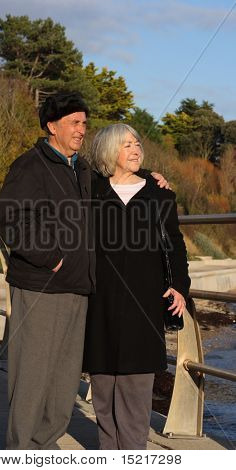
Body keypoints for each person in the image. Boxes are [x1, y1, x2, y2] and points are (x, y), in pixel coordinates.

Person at [0, 93, 169, 450]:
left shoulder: (84, 170)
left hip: (80, 289)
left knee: (63, 380)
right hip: (41, 286)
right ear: (52, 126)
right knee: (33, 374)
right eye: (74, 123)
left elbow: (118, 176)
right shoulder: (29, 166)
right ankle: (22, 448)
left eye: (84, 123)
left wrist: (151, 176)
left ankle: (45, 441)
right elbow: (8, 221)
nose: (81, 130)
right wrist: (51, 257)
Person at [83, 123, 191, 450]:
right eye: (126, 145)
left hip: (144, 303)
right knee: (103, 390)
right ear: (108, 152)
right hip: (99, 305)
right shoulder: (90, 192)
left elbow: (174, 245)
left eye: (137, 144)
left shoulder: (160, 195)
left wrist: (179, 287)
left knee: (135, 390)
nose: (135, 149)